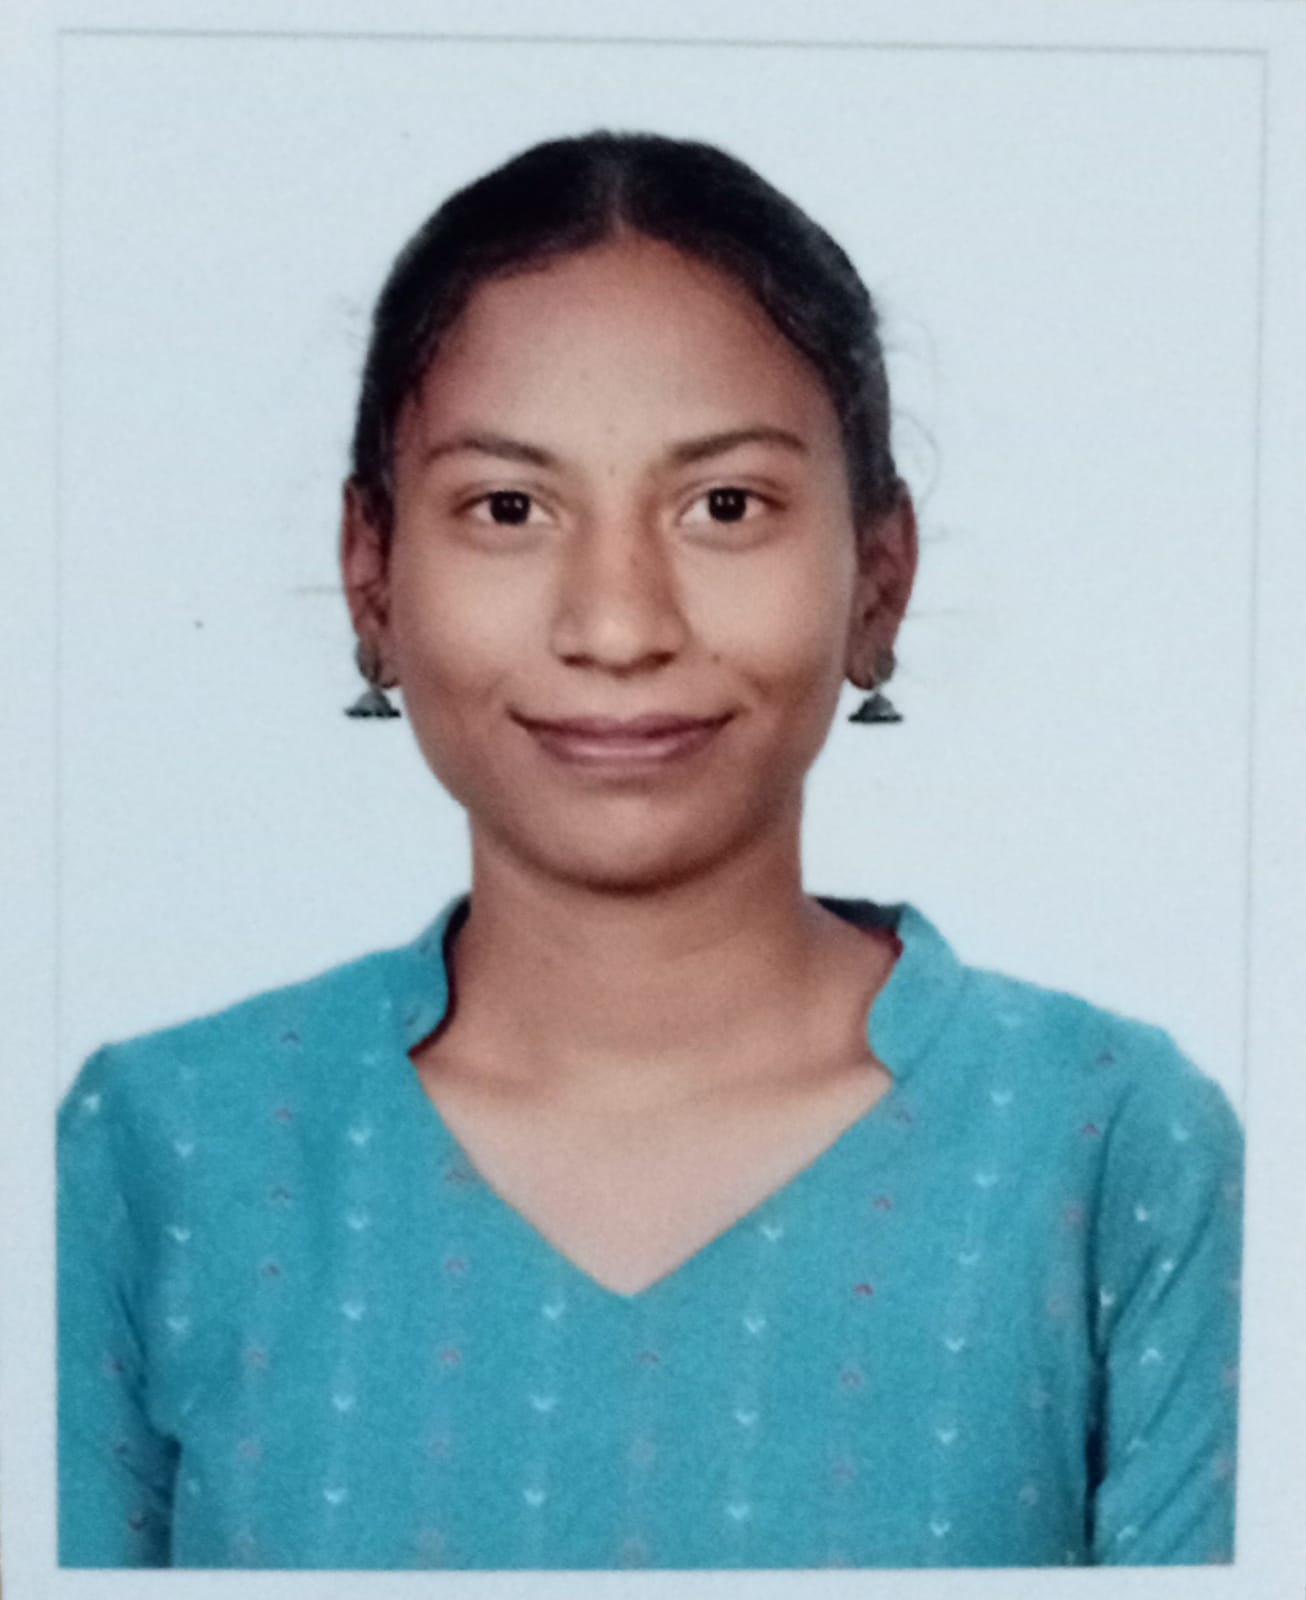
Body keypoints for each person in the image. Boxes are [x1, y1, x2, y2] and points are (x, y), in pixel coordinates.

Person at [57, 130, 1243, 1572]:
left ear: (879, 578)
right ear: (373, 576)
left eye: (723, 508)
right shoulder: (161, 1152)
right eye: (508, 509)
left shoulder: (1113, 1149)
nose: (617, 625)